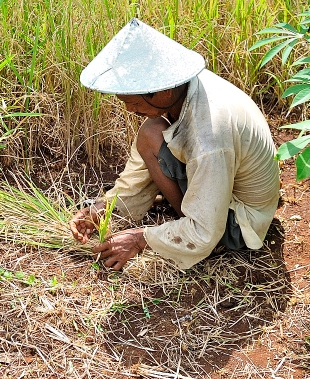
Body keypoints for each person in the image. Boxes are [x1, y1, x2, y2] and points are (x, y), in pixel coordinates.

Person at [69, 18, 280, 271]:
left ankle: (185, 219)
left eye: (132, 101)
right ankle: (183, 211)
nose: (129, 109)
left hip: (239, 224)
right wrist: (103, 209)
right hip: (228, 187)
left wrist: (139, 239)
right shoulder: (187, 90)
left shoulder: (209, 134)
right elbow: (141, 167)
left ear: (163, 92)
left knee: (150, 132)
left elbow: (205, 232)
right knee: (151, 132)